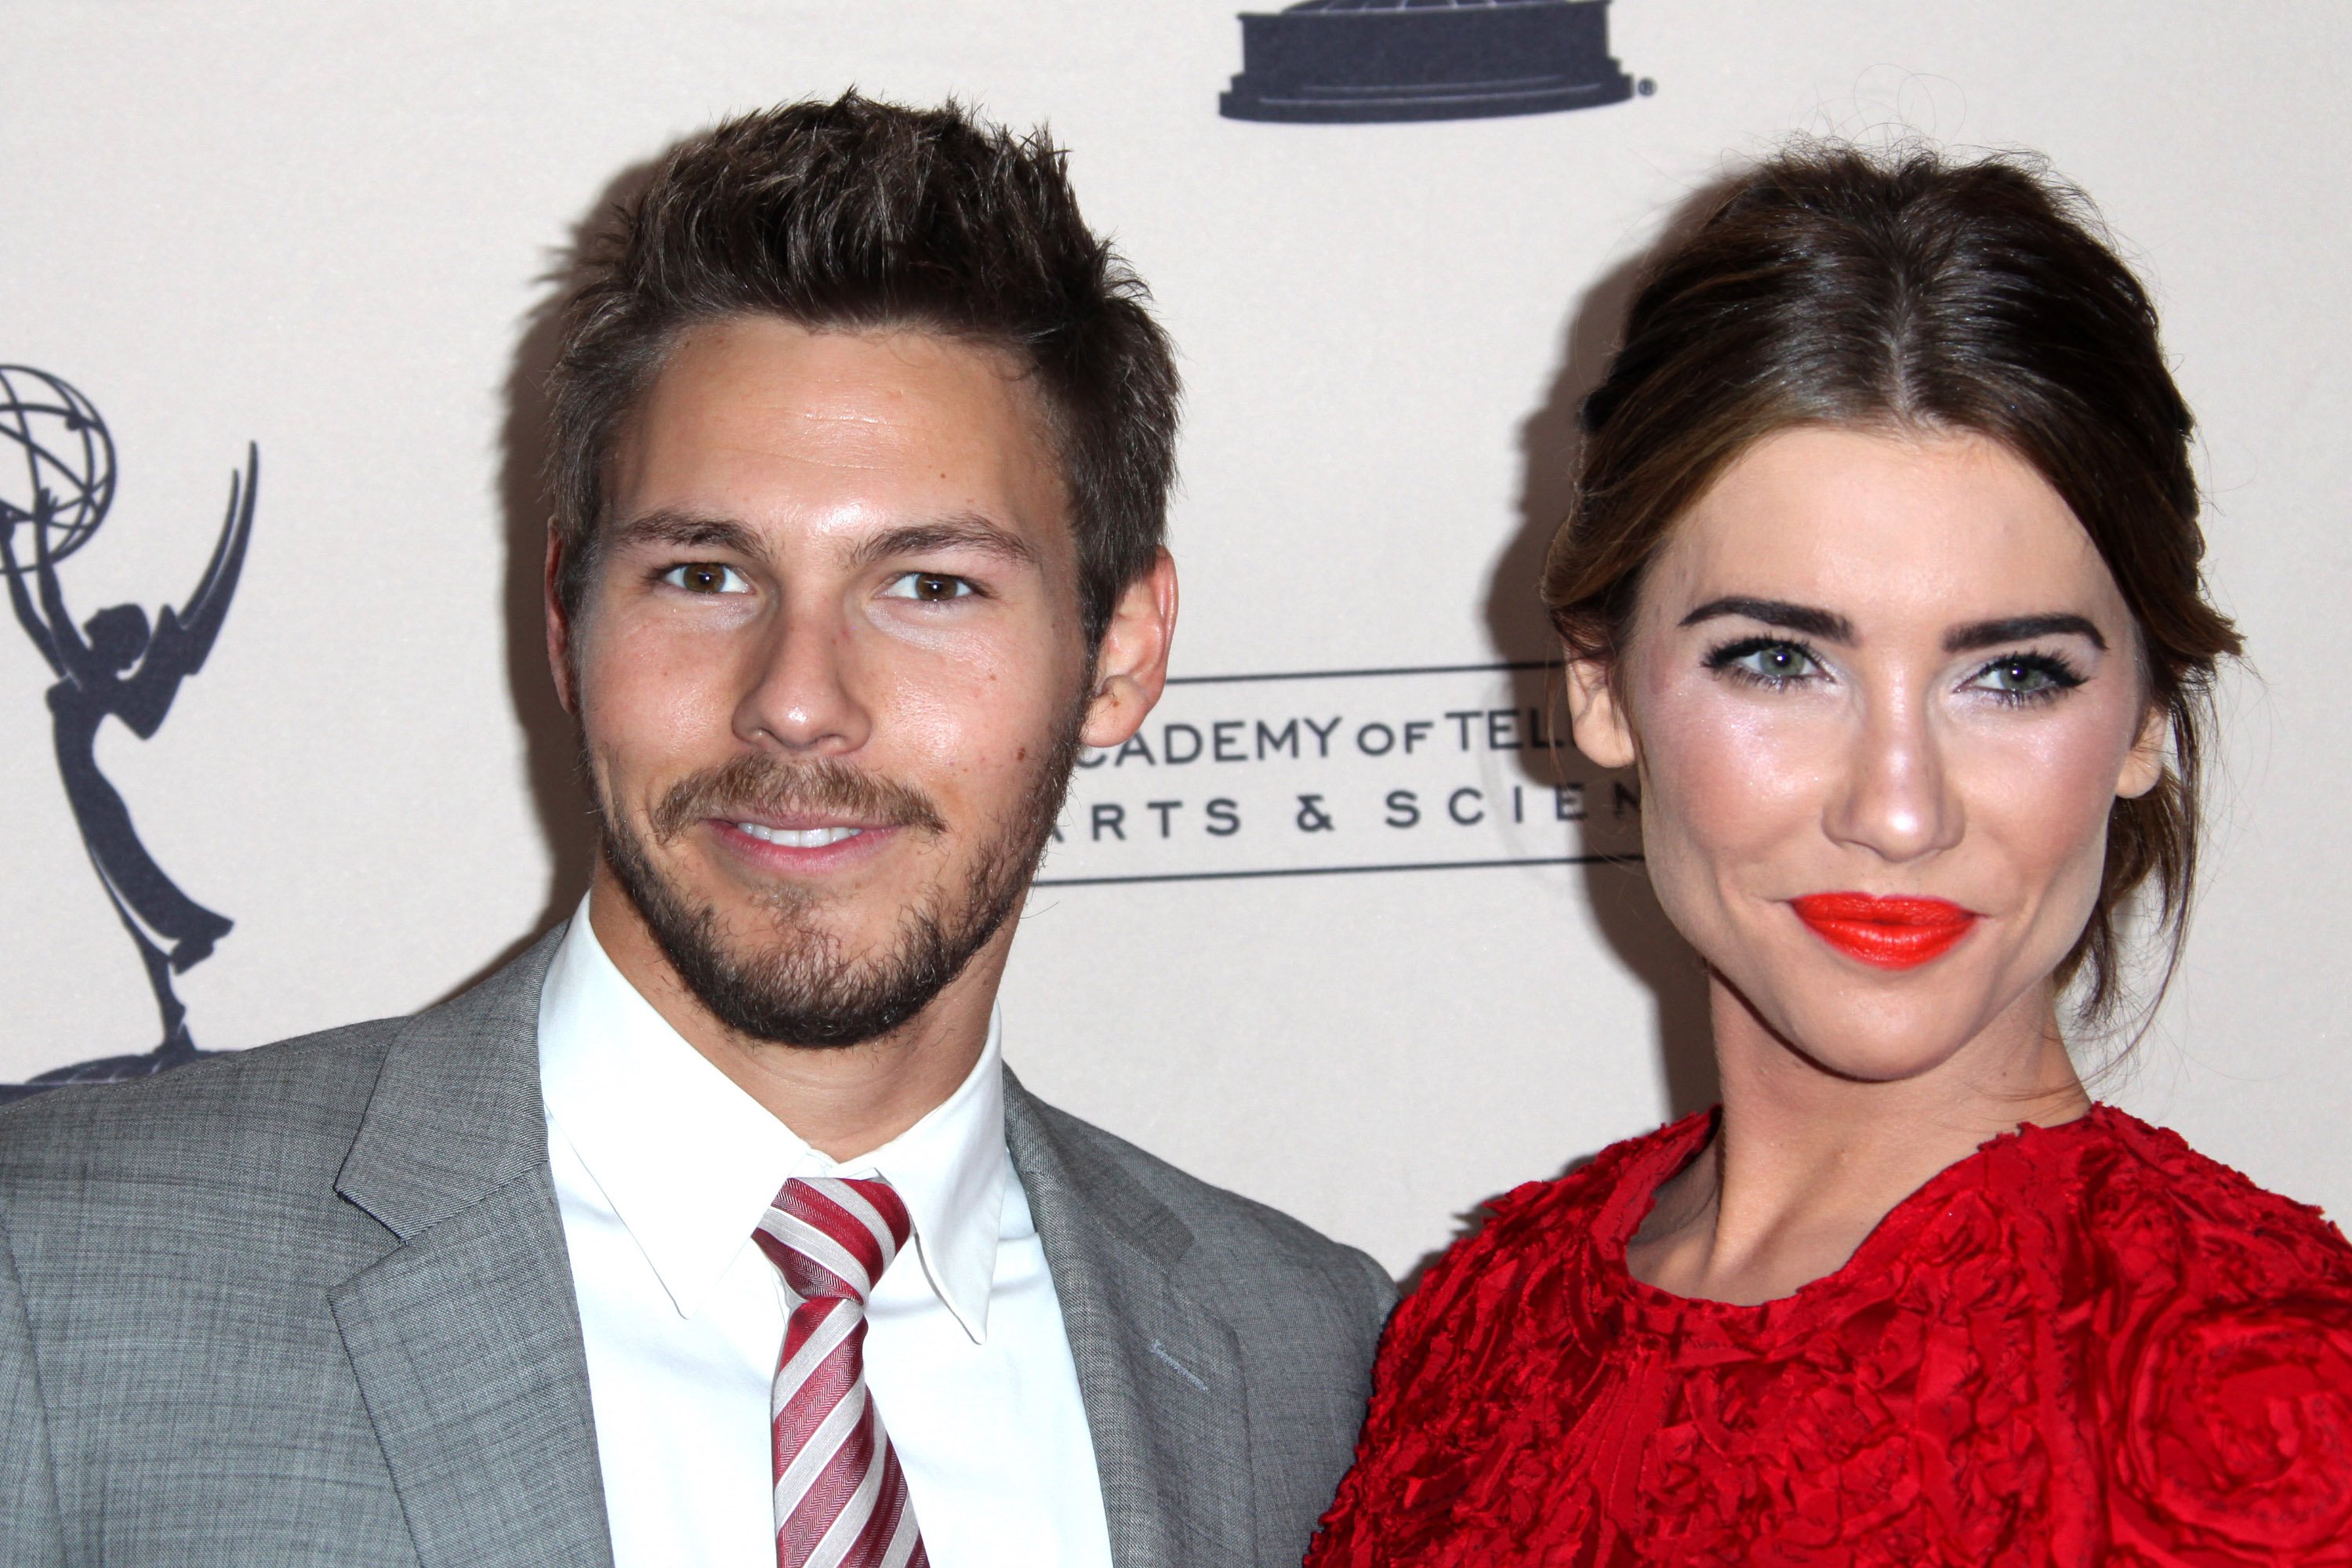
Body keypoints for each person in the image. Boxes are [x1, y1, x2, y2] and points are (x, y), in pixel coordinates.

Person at [0, 95, 1392, 1568]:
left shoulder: (1311, 1360)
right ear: (565, 621)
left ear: (1118, 653)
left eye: (929, 587)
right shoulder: (56, 1279)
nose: (797, 705)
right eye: (703, 575)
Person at [1309, 145, 2352, 1566]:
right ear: (1603, 688)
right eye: (1780, 660)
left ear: (2145, 719)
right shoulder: (1478, 1326)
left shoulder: (2285, 1399)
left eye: (2016, 676)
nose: (1898, 807)